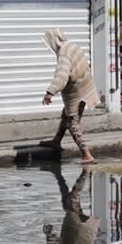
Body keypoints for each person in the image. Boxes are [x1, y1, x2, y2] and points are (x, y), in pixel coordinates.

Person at [41, 28, 99, 164]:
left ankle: (86, 154)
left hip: (76, 92)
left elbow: (61, 76)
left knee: (72, 122)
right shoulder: (72, 46)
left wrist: (50, 92)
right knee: (66, 115)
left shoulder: (64, 55)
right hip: (86, 86)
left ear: (53, 41)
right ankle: (56, 141)